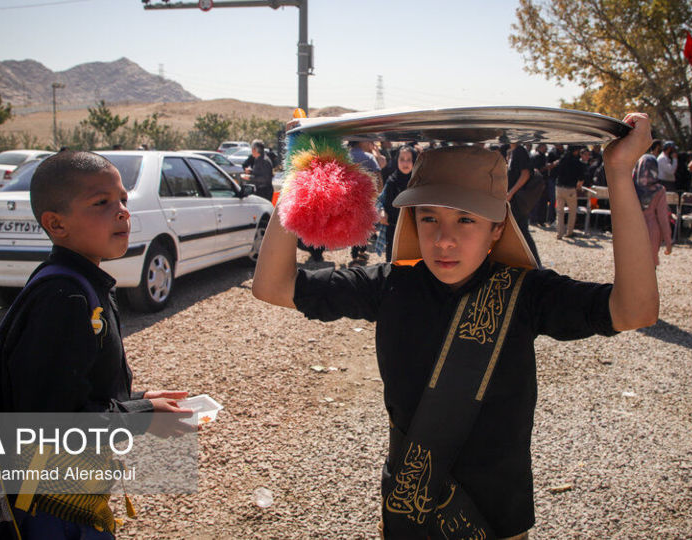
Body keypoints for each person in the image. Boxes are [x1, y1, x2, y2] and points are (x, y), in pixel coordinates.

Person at [252, 114, 659, 539]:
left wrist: (618, 171)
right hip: (410, 514)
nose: (444, 239)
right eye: (430, 218)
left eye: (465, 220)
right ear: (412, 220)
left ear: (497, 228)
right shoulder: (388, 286)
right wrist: (301, 171)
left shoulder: (529, 294)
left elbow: (635, 310)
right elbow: (272, 286)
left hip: (498, 520)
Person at [0, 151, 193, 537]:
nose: (122, 212)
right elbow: (48, 421)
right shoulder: (63, 297)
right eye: (101, 203)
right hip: (49, 506)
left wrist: (140, 398)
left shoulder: (84, 282)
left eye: (122, 200)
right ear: (56, 224)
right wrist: (140, 416)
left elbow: (77, 384)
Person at [632, 153, 672, 266]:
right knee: (649, 265)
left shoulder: (630, 187)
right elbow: (663, 217)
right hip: (652, 230)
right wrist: (668, 241)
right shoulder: (659, 190)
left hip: (632, 228)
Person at [379, 145, 418, 261]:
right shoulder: (391, 181)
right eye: (402, 159)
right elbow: (381, 200)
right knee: (393, 260)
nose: (405, 163)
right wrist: (381, 211)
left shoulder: (418, 182)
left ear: (414, 162)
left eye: (409, 160)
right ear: (397, 161)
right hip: (394, 229)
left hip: (415, 229)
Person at [506, 142, 542, 266]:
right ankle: (532, 262)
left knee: (521, 230)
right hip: (515, 199)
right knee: (521, 230)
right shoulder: (514, 152)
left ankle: (534, 262)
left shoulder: (519, 151)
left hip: (517, 200)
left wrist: (511, 192)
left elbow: (525, 173)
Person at [348, 141, 384, 266]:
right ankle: (361, 251)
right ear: (361, 141)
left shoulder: (344, 156)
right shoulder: (368, 157)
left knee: (352, 224)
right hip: (366, 198)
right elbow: (378, 176)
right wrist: (379, 191)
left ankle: (354, 252)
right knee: (365, 224)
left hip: (348, 198)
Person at [553, 145, 587, 240]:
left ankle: (559, 233)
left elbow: (556, 172)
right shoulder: (577, 162)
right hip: (570, 189)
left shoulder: (562, 159)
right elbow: (581, 179)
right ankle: (569, 232)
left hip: (559, 187)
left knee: (560, 211)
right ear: (575, 151)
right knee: (572, 211)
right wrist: (578, 187)